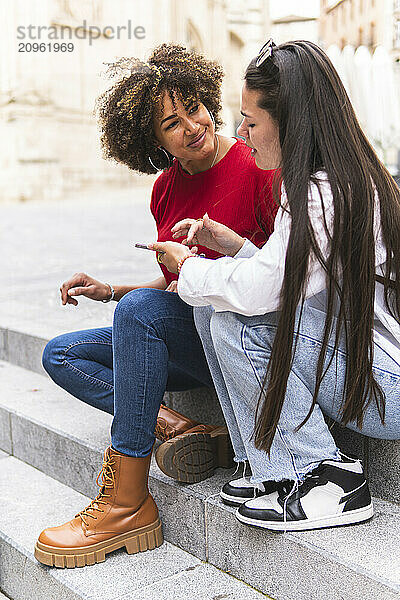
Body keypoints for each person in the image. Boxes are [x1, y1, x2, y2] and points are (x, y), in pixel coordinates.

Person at [35, 43, 277, 568]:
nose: (193, 125)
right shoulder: (165, 189)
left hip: (241, 341)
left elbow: (278, 276)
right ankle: (179, 429)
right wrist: (114, 292)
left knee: (139, 315)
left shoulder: (256, 166)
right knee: (60, 354)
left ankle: (127, 500)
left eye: (194, 107)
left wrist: (143, 302)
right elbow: (173, 280)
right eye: (173, 122)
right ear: (152, 142)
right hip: (189, 333)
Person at [150, 40, 400, 532]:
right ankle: (261, 463)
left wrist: (190, 269)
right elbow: (290, 278)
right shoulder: (325, 180)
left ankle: (323, 475)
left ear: (292, 122)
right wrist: (233, 245)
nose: (240, 133)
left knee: (233, 319)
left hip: (387, 389)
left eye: (251, 120)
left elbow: (266, 294)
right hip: (368, 371)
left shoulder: (325, 194)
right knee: (213, 307)